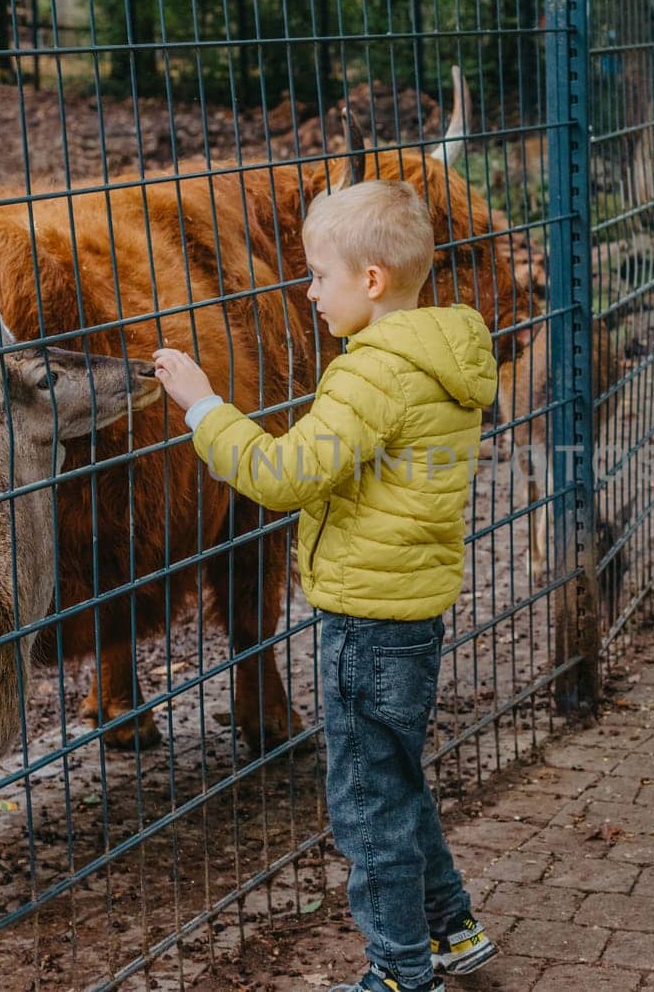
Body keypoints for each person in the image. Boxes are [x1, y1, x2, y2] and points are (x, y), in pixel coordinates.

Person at [152, 179, 500, 992]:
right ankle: (452, 929)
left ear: (371, 281)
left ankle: (400, 972)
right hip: (412, 609)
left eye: (317, 275)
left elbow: (282, 474)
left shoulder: (370, 376)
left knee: (365, 804)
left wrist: (205, 407)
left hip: (363, 620)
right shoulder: (446, 356)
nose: (307, 292)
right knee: (396, 778)